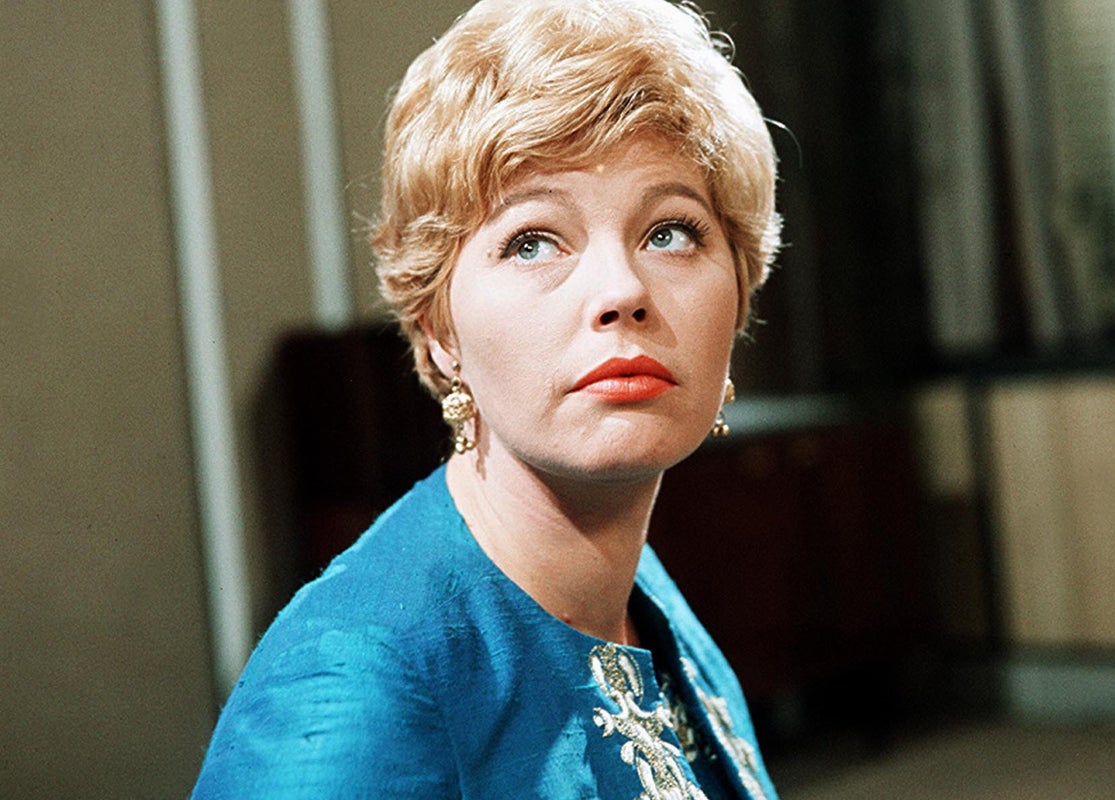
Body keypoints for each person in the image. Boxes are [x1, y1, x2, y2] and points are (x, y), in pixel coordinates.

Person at [191, 0, 782, 796]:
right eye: (533, 242)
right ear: (439, 329)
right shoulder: (351, 684)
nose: (622, 291)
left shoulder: (640, 591)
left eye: (669, 232)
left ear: (740, 289)